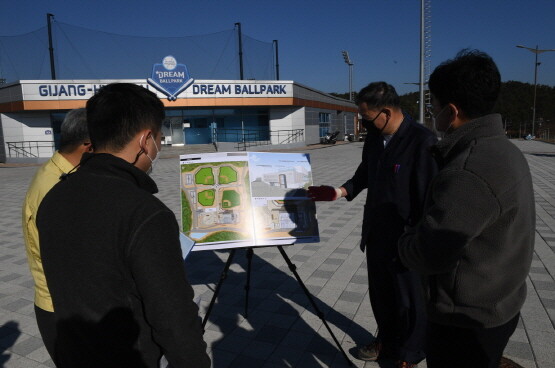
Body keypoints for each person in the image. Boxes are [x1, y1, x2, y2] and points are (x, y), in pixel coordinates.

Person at [37, 83, 210, 368]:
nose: (160, 144)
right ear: (145, 140)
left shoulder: (54, 196)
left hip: (73, 353)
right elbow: (173, 318)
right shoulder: (145, 213)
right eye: (159, 137)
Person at [398, 50, 535, 368]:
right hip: (499, 303)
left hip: (464, 320)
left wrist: (404, 239)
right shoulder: (504, 150)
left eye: (432, 105)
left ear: (452, 111)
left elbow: (430, 253)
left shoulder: (468, 170)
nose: (431, 112)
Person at [308, 82, 438, 368]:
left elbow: (430, 200)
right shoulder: (375, 139)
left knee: (411, 301)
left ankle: (410, 355)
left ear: (387, 112)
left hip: (407, 240)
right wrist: (339, 191)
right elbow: (365, 172)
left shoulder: (422, 142)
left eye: (366, 118)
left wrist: (419, 242)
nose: (363, 124)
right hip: (377, 233)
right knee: (382, 296)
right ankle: (386, 342)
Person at [22, 108, 91, 360]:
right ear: (88, 145)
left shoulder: (58, 172)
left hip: (62, 304)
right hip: (66, 308)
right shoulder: (59, 187)